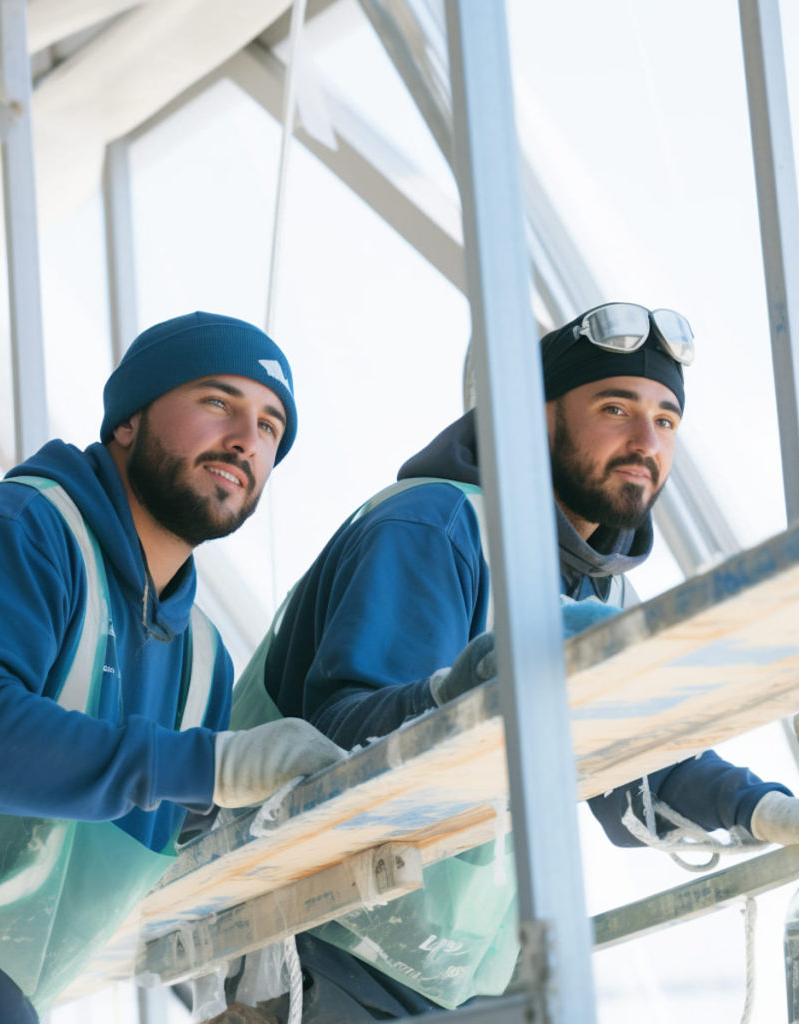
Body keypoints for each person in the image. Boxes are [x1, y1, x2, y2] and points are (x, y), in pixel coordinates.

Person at [223, 302, 799, 1021]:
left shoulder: (600, 592)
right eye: (615, 409)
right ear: (537, 418)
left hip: (454, 963)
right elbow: (337, 741)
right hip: (323, 938)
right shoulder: (435, 526)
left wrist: (761, 809)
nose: (645, 441)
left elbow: (634, 764)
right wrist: (458, 696)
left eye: (666, 420)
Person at [0, 311, 345, 1023]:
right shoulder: (19, 531)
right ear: (128, 420)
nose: (245, 439)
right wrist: (213, 766)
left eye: (269, 427)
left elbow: (121, 861)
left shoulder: (203, 662)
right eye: (217, 401)